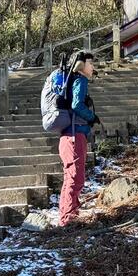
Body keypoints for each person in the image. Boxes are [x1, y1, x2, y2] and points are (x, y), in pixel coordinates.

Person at [58, 51, 100, 226]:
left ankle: (69, 214)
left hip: (67, 136)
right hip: (75, 136)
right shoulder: (80, 80)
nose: (93, 67)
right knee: (76, 178)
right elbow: (76, 105)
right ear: (81, 65)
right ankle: (68, 219)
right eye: (91, 63)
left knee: (71, 177)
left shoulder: (71, 80)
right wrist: (91, 117)